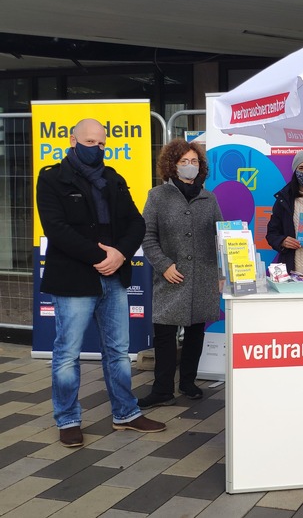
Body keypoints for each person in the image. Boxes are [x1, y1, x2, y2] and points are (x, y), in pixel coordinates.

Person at [36, 118, 165, 448]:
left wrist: (120, 254)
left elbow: (136, 223)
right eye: (90, 143)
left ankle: (126, 413)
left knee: (119, 353)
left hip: (114, 277)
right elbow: (56, 228)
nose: (97, 149)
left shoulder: (113, 178)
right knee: (67, 354)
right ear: (73, 139)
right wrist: (99, 256)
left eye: (102, 144)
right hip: (74, 278)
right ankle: (68, 419)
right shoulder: (52, 179)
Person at [138, 139, 224, 409]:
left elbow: (221, 235)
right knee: (164, 333)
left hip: (203, 276)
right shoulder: (157, 196)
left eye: (194, 161)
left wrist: (222, 273)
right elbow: (147, 236)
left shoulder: (209, 198)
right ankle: (162, 389)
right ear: (172, 165)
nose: (190, 166)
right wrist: (164, 265)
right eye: (184, 161)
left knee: (196, 330)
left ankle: (188, 381)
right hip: (171, 276)